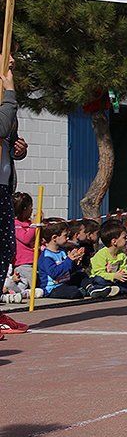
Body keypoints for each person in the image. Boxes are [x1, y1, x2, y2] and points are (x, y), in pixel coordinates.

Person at [0, 54, 29, 336]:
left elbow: (7, 136)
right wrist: (10, 94)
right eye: (7, 54)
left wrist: (17, 149)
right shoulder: (6, 95)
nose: (12, 60)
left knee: (6, 250)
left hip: (3, 186)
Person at [38, 219, 94, 299]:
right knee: (73, 292)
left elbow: (69, 270)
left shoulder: (62, 251)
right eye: (65, 236)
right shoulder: (47, 256)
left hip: (65, 282)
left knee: (81, 275)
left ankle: (91, 289)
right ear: (54, 238)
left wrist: (76, 261)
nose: (67, 238)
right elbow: (54, 273)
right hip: (53, 288)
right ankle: (82, 291)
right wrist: (69, 260)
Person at [89, 220, 127, 296]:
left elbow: (124, 267)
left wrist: (123, 273)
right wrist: (113, 276)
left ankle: (112, 290)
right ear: (114, 241)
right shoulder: (101, 255)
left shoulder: (122, 254)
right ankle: (98, 289)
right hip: (104, 278)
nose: (126, 240)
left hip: (116, 279)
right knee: (98, 279)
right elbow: (99, 273)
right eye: (124, 238)